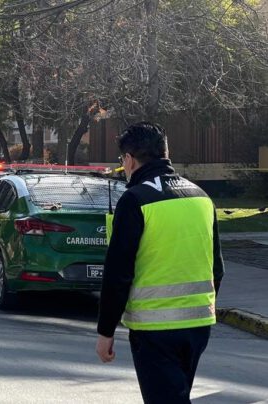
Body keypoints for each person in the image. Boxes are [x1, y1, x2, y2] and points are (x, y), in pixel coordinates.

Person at [95, 122, 224, 403]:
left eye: (122, 160)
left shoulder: (135, 199)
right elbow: (217, 268)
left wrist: (106, 331)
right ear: (166, 152)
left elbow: (118, 274)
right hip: (199, 326)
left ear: (129, 159)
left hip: (154, 330)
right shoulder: (201, 197)